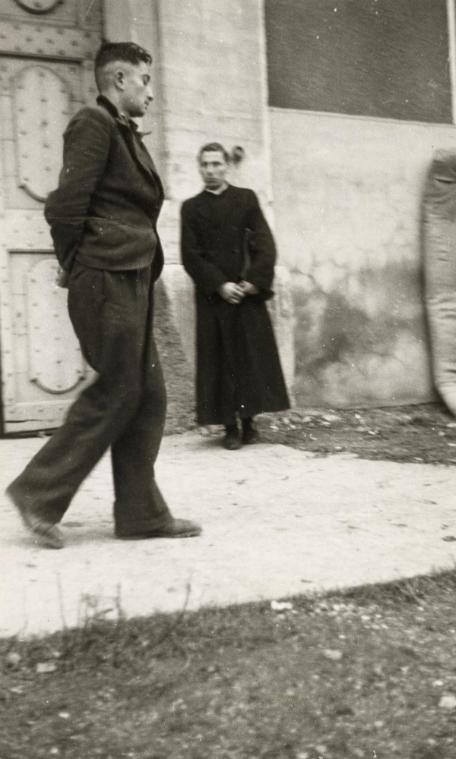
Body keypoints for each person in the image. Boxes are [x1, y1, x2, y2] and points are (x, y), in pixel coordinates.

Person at [5, 41, 201, 548]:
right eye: (145, 81)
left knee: (149, 395)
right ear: (118, 81)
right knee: (119, 390)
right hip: (107, 276)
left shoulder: (121, 130)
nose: (151, 94)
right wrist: (80, 264)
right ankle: (38, 493)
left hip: (130, 274)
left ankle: (140, 514)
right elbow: (64, 207)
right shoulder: (93, 125)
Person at [181, 142, 290, 450]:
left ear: (227, 166)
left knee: (248, 358)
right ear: (199, 168)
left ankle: (250, 423)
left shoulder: (246, 199)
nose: (211, 170)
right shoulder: (191, 208)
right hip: (214, 298)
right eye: (205, 165)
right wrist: (219, 285)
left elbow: (265, 244)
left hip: (246, 296)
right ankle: (229, 428)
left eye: (216, 164)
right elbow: (191, 256)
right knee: (220, 361)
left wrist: (252, 281)